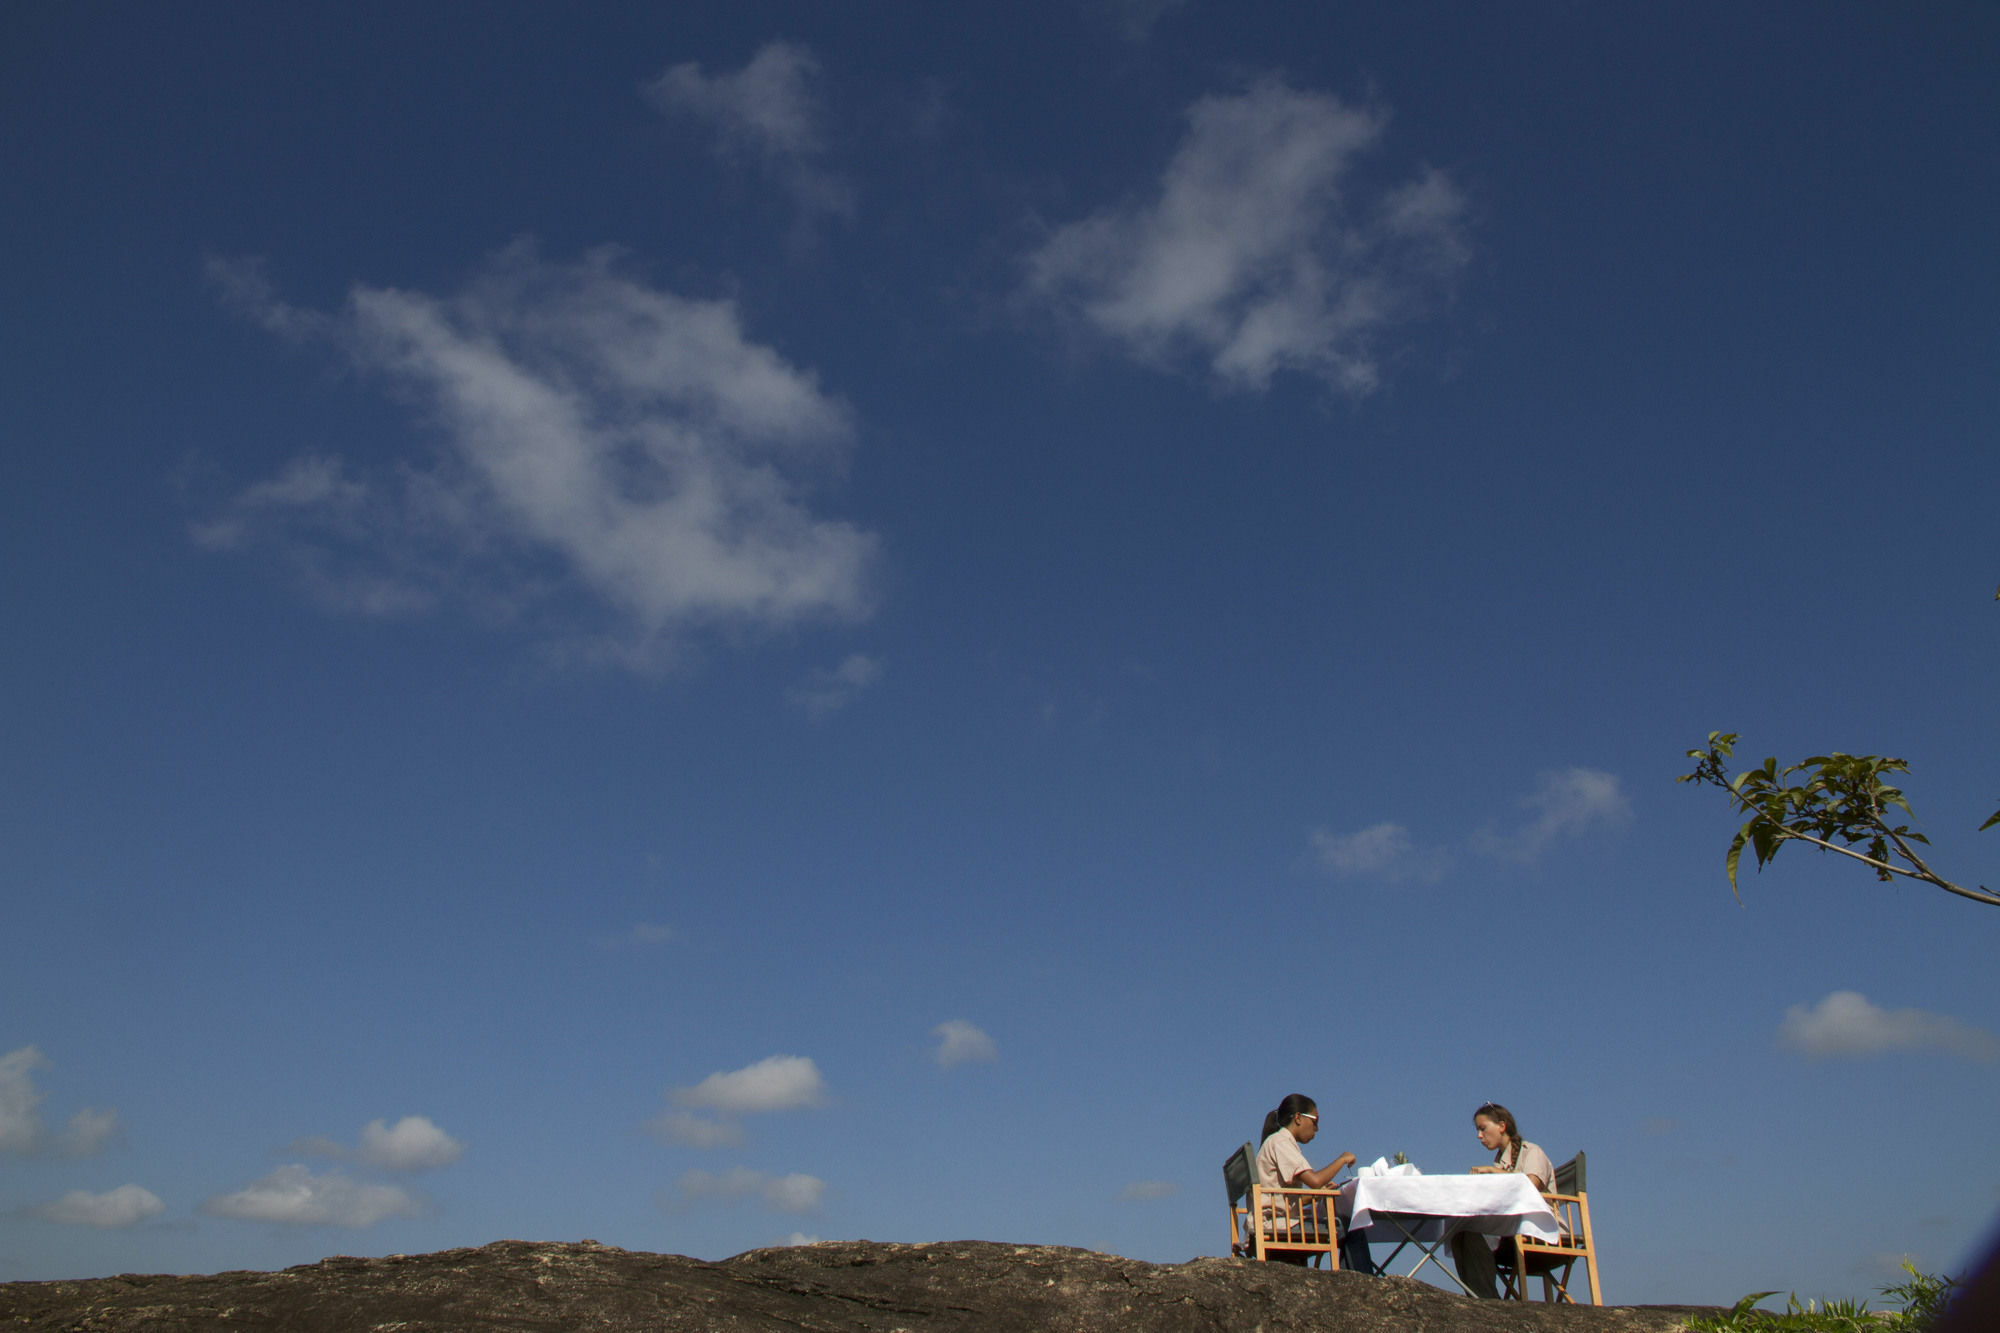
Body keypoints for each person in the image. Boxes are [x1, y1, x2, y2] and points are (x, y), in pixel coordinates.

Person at [1254, 1094, 1378, 1274]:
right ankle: (1363, 1282)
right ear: (1298, 1118)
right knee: (1350, 1226)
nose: (1316, 1129)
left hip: (1274, 1218)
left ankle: (1355, 1280)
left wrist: (1316, 1194)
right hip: (1278, 1223)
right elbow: (1315, 1180)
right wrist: (1342, 1159)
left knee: (1342, 1224)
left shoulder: (1277, 1142)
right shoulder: (1281, 1142)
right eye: (1315, 1121)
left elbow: (1282, 1197)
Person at [1450, 1102, 1556, 1299]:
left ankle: (1486, 1301)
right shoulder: (1501, 1162)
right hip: (1509, 1228)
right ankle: (1478, 1297)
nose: (1479, 1136)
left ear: (1501, 1126)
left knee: (1472, 1235)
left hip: (1535, 1229)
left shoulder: (1531, 1151)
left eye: (1483, 1129)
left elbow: (1531, 1187)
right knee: (1458, 1234)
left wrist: (1493, 1172)